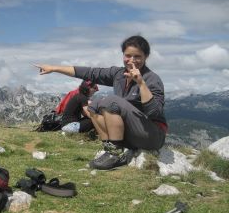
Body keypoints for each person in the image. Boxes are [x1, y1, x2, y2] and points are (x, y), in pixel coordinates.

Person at [35, 35, 167, 170]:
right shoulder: (118, 74)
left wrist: (140, 83)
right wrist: (54, 68)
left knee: (110, 100)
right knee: (93, 105)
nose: (132, 61)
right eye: (128, 55)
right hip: (132, 135)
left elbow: (155, 112)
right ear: (123, 55)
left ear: (146, 56)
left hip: (152, 136)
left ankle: (114, 154)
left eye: (137, 56)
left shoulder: (152, 79)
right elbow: (89, 73)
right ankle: (110, 148)